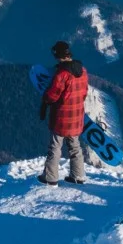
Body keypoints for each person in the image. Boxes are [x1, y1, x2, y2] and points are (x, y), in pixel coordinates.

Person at [39, 40, 91, 185]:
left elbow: (52, 96)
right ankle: (78, 176)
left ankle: (50, 178)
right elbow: (85, 92)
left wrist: (45, 98)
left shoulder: (62, 74)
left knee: (55, 147)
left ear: (57, 55)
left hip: (61, 117)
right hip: (77, 115)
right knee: (75, 146)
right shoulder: (83, 70)